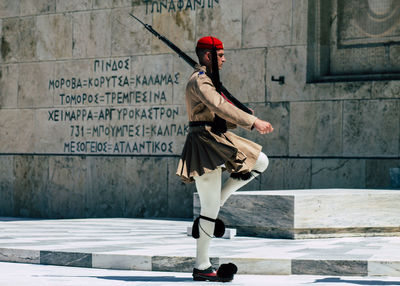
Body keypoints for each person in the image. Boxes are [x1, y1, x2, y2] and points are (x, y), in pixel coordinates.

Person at [176, 36, 273, 282]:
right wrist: (252, 121)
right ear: (208, 56)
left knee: (259, 161)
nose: (224, 59)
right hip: (204, 141)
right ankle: (202, 266)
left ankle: (216, 206)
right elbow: (218, 105)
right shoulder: (200, 82)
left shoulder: (208, 80)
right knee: (209, 208)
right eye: (220, 55)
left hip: (217, 136)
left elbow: (218, 114)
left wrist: (240, 115)